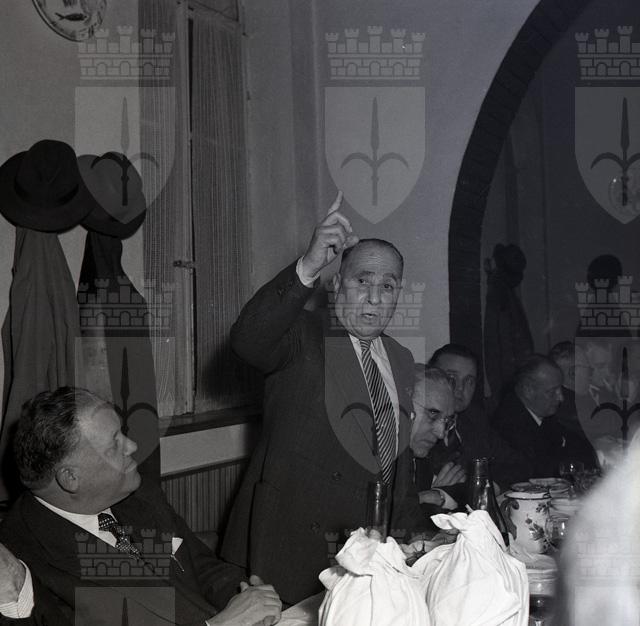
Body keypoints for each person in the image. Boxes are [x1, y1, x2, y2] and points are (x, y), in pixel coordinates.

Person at [220, 192, 419, 604]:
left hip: (367, 557)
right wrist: (309, 264)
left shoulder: (401, 357)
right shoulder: (304, 335)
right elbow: (247, 340)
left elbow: (394, 466)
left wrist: (404, 539)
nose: (375, 297)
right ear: (338, 285)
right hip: (289, 553)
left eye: (387, 286)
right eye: (362, 281)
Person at [0, 387, 281, 625]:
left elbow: (199, 565)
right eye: (114, 444)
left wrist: (246, 595)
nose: (132, 446)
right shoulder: (23, 564)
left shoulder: (139, 493)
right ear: (71, 478)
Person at [427, 343, 525, 489]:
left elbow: (517, 464)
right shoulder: (417, 425)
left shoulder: (474, 419)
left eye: (469, 381)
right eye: (451, 378)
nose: (460, 388)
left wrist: (487, 487)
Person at [492, 354, 570, 478]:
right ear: (528, 390)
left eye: (560, 389)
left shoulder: (545, 413)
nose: (561, 398)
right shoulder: (508, 425)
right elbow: (539, 470)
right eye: (552, 392)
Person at [409, 365, 466, 518]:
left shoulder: (423, 456)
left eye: (447, 420)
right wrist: (421, 501)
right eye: (433, 414)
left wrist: (437, 495)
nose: (441, 433)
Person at [548, 341, 599, 469]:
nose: (591, 376)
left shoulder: (580, 398)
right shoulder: (563, 404)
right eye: (589, 371)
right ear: (573, 374)